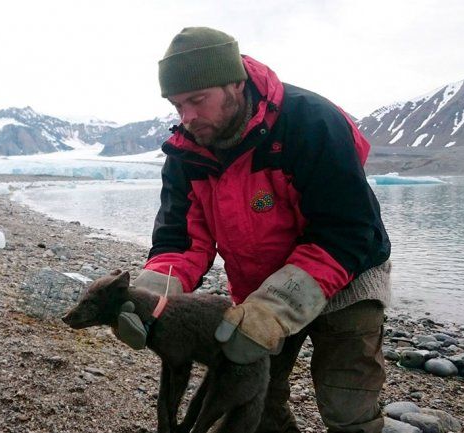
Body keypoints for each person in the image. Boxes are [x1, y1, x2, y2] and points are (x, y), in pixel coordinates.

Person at [119, 27, 392, 433]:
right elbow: (180, 241)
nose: (188, 117)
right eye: (178, 105)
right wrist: (148, 300)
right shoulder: (187, 152)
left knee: (347, 403)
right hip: (258, 284)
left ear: (235, 83)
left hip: (349, 272)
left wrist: (274, 310)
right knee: (252, 396)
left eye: (197, 100)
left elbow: (346, 232)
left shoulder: (311, 124)